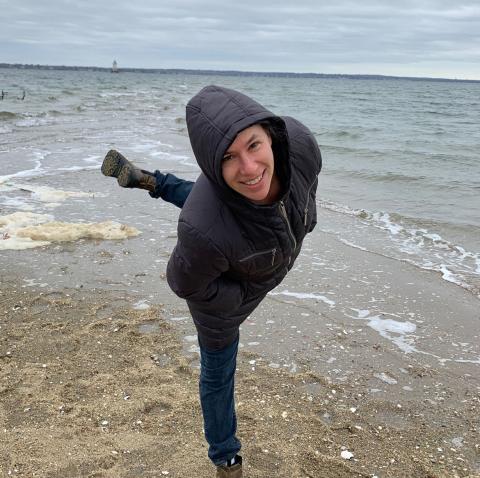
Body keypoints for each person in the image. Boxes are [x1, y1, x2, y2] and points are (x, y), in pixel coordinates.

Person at [102, 85, 322, 477]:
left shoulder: (301, 147)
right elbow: (183, 282)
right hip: (220, 304)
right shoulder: (202, 231)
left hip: (225, 223)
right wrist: (234, 304)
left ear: (271, 136)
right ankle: (224, 455)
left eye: (254, 145)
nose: (251, 166)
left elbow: (292, 188)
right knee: (217, 375)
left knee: (219, 201)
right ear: (213, 165)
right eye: (228, 157)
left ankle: (149, 180)